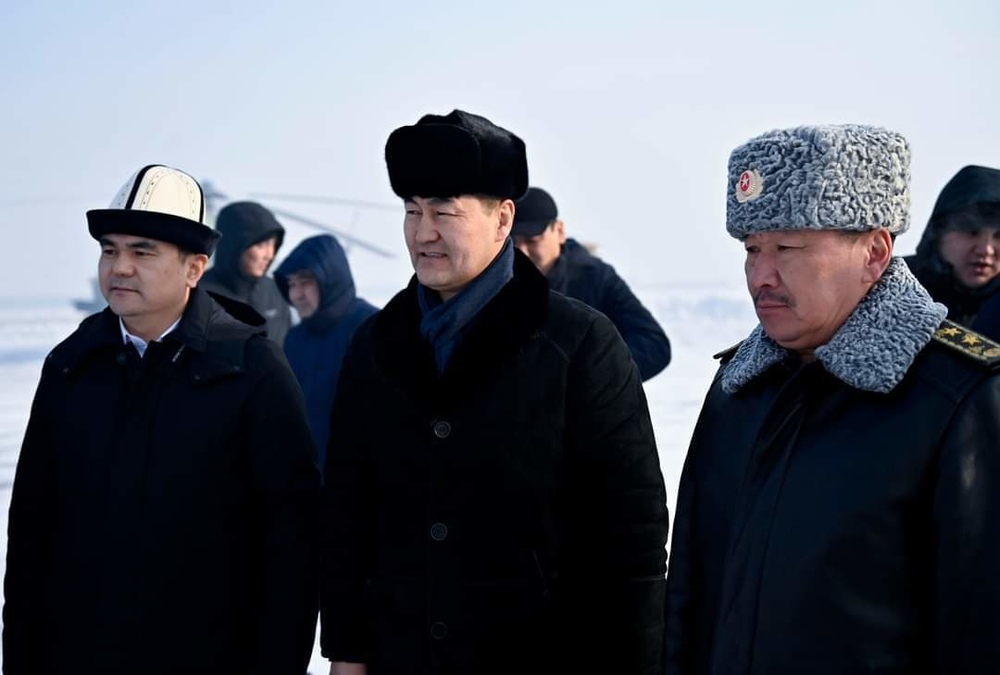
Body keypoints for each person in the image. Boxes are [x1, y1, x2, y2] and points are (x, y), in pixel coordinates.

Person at [319, 110, 669, 675]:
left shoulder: (578, 343)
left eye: (444, 212)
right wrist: (346, 649)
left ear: (503, 218)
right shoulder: (376, 345)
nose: (423, 232)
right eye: (411, 210)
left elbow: (632, 538)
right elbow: (346, 512)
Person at [664, 125, 1000, 675]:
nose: (760, 276)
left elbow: (979, 629)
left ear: (873, 253)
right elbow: (690, 593)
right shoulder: (738, 388)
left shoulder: (957, 398)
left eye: (788, 248)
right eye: (751, 249)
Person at [3, 165, 322, 675]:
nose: (120, 268)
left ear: (195, 268)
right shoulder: (70, 366)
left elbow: (293, 545)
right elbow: (31, 534)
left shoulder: (252, 369)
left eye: (142, 252)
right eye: (110, 250)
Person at [511, 186, 671, 380]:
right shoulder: (494, 279)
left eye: (532, 240)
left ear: (559, 231)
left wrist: (593, 377)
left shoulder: (595, 278)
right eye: (513, 242)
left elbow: (654, 345)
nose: (522, 251)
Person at [274, 234, 378, 468]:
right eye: (291, 284)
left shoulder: (374, 330)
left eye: (305, 282)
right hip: (303, 479)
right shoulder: (295, 339)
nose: (296, 295)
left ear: (330, 279)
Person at [905, 165, 1000, 329]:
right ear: (939, 233)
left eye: (999, 236)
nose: (986, 250)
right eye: (972, 232)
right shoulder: (886, 287)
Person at [200, 200, 292, 345]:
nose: (269, 255)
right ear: (235, 245)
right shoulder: (199, 295)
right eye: (261, 245)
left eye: (273, 245)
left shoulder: (276, 292)